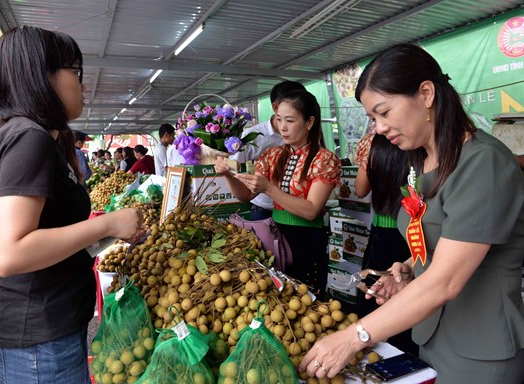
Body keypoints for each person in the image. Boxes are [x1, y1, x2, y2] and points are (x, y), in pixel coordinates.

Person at [299, 44, 524, 384]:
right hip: (433, 333)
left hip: (479, 349)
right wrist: (404, 270)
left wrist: (354, 336)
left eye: (384, 112)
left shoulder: (483, 164)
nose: (378, 128)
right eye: (373, 118)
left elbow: (446, 281)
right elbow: (442, 243)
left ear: (426, 94)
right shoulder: (420, 163)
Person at [0, 25, 145, 384]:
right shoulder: (29, 139)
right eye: (75, 72)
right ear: (42, 77)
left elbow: (48, 234)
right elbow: (10, 254)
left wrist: (105, 236)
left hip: (44, 335)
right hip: (39, 341)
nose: (82, 84)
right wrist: (107, 225)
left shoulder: (32, 137)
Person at [215, 89, 340, 297]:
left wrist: (269, 189)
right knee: (277, 301)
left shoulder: (324, 159)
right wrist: (228, 175)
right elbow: (245, 196)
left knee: (306, 302)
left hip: (306, 241)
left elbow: (311, 211)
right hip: (273, 238)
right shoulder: (272, 155)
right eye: (279, 119)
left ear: (309, 123)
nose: (282, 127)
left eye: (290, 121)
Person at [353, 131, 417, 355]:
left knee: (374, 299)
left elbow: (360, 190)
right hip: (414, 237)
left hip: (384, 236)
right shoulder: (422, 143)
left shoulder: (376, 143)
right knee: (409, 303)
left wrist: (368, 157)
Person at [231, 80, 307, 220]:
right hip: (265, 211)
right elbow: (235, 169)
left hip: (298, 210)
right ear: (276, 107)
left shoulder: (307, 136)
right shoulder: (254, 137)